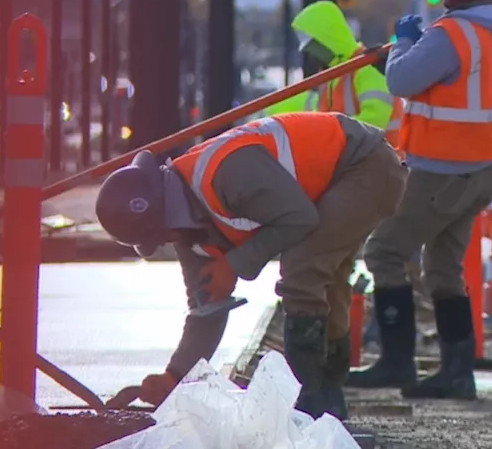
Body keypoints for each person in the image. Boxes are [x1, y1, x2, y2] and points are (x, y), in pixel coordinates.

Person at [95, 112, 407, 420]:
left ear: (165, 216)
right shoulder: (185, 231)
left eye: (161, 234)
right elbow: (207, 309)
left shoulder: (225, 174)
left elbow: (299, 218)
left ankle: (312, 398)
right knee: (325, 275)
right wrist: (173, 377)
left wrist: (233, 265)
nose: (167, 241)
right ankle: (328, 396)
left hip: (367, 166)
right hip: (342, 178)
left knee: (302, 270)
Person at [348, 0, 492, 400]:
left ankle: (396, 362)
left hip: (438, 172)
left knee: (384, 252)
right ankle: (456, 372)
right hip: (478, 171)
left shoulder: (453, 35)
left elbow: (403, 80)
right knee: (445, 271)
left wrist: (405, 42)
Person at [264, 0, 403, 147]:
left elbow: (376, 120)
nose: (312, 55)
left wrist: (329, 135)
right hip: (355, 160)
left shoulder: (368, 66)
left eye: (314, 47)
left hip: (382, 161)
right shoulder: (332, 77)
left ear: (327, 40)